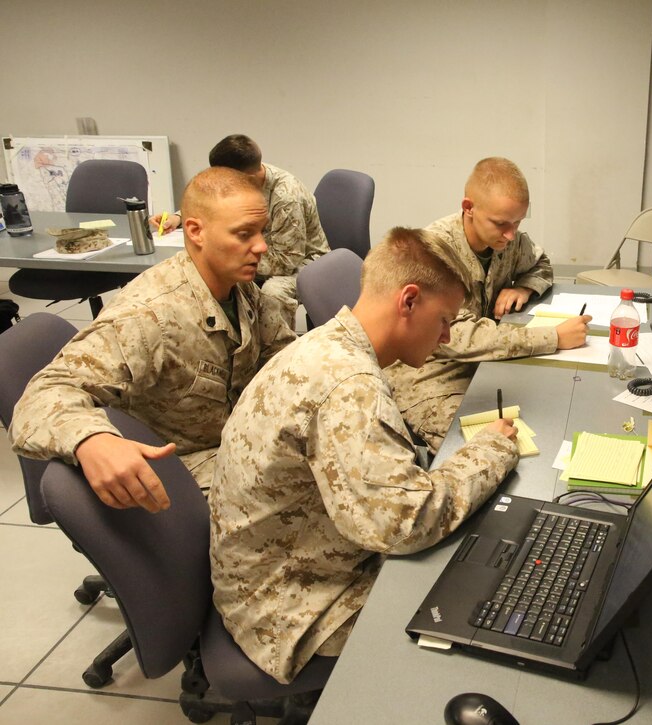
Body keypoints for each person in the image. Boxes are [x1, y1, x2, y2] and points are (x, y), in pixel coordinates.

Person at [208, 226, 520, 684]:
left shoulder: (327, 343)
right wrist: (492, 451)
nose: (447, 336)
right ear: (408, 301)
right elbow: (406, 523)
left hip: (278, 571)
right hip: (292, 609)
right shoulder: (350, 388)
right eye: (444, 320)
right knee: (490, 608)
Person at [10, 167, 297, 512]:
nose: (262, 246)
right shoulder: (149, 317)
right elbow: (42, 396)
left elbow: (285, 355)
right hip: (179, 468)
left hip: (234, 440)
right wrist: (91, 439)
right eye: (244, 234)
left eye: (261, 232)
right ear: (195, 231)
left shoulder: (238, 286)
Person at [386, 157, 590, 451]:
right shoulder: (434, 254)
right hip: (431, 374)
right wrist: (554, 336)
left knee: (550, 414)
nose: (510, 234)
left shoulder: (505, 240)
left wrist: (523, 286)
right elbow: (457, 337)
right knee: (483, 451)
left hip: (483, 362)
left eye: (517, 222)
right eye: (501, 224)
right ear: (468, 208)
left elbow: (540, 263)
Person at [152, 134, 330, 319]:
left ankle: (276, 346)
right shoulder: (245, 179)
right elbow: (214, 204)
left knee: (273, 292)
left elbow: (286, 262)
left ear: (246, 175)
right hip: (262, 254)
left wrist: (226, 259)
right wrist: (178, 217)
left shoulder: (286, 197)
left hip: (304, 263)